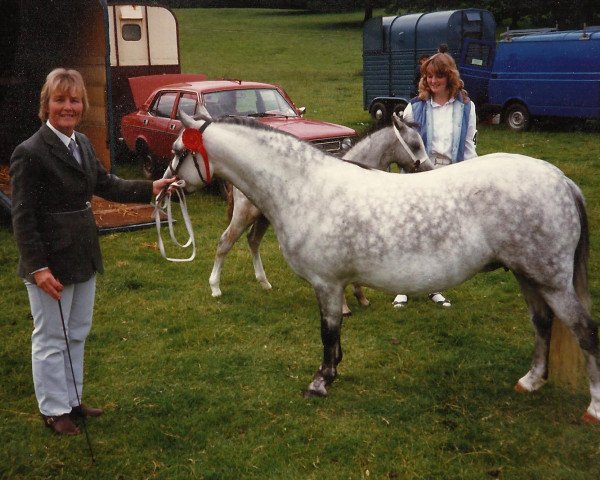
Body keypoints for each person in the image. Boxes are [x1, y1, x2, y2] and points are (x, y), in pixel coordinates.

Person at [10, 68, 176, 435]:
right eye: (60, 100)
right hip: (49, 261)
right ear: (46, 105)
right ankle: (53, 410)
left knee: (77, 331)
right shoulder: (30, 152)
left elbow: (106, 184)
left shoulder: (82, 144)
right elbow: (22, 217)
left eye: (74, 100)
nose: (68, 107)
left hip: (83, 253)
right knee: (51, 336)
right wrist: (38, 268)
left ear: (82, 105)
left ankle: (72, 399)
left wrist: (152, 186)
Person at [393, 47, 477, 309]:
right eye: (428, 76)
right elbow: (403, 148)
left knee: (439, 235)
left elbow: (468, 145)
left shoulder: (466, 107)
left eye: (438, 76)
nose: (432, 81)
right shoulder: (414, 108)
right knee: (411, 231)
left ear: (449, 77)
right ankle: (402, 287)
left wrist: (472, 178)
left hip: (451, 175)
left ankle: (434, 286)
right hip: (419, 177)